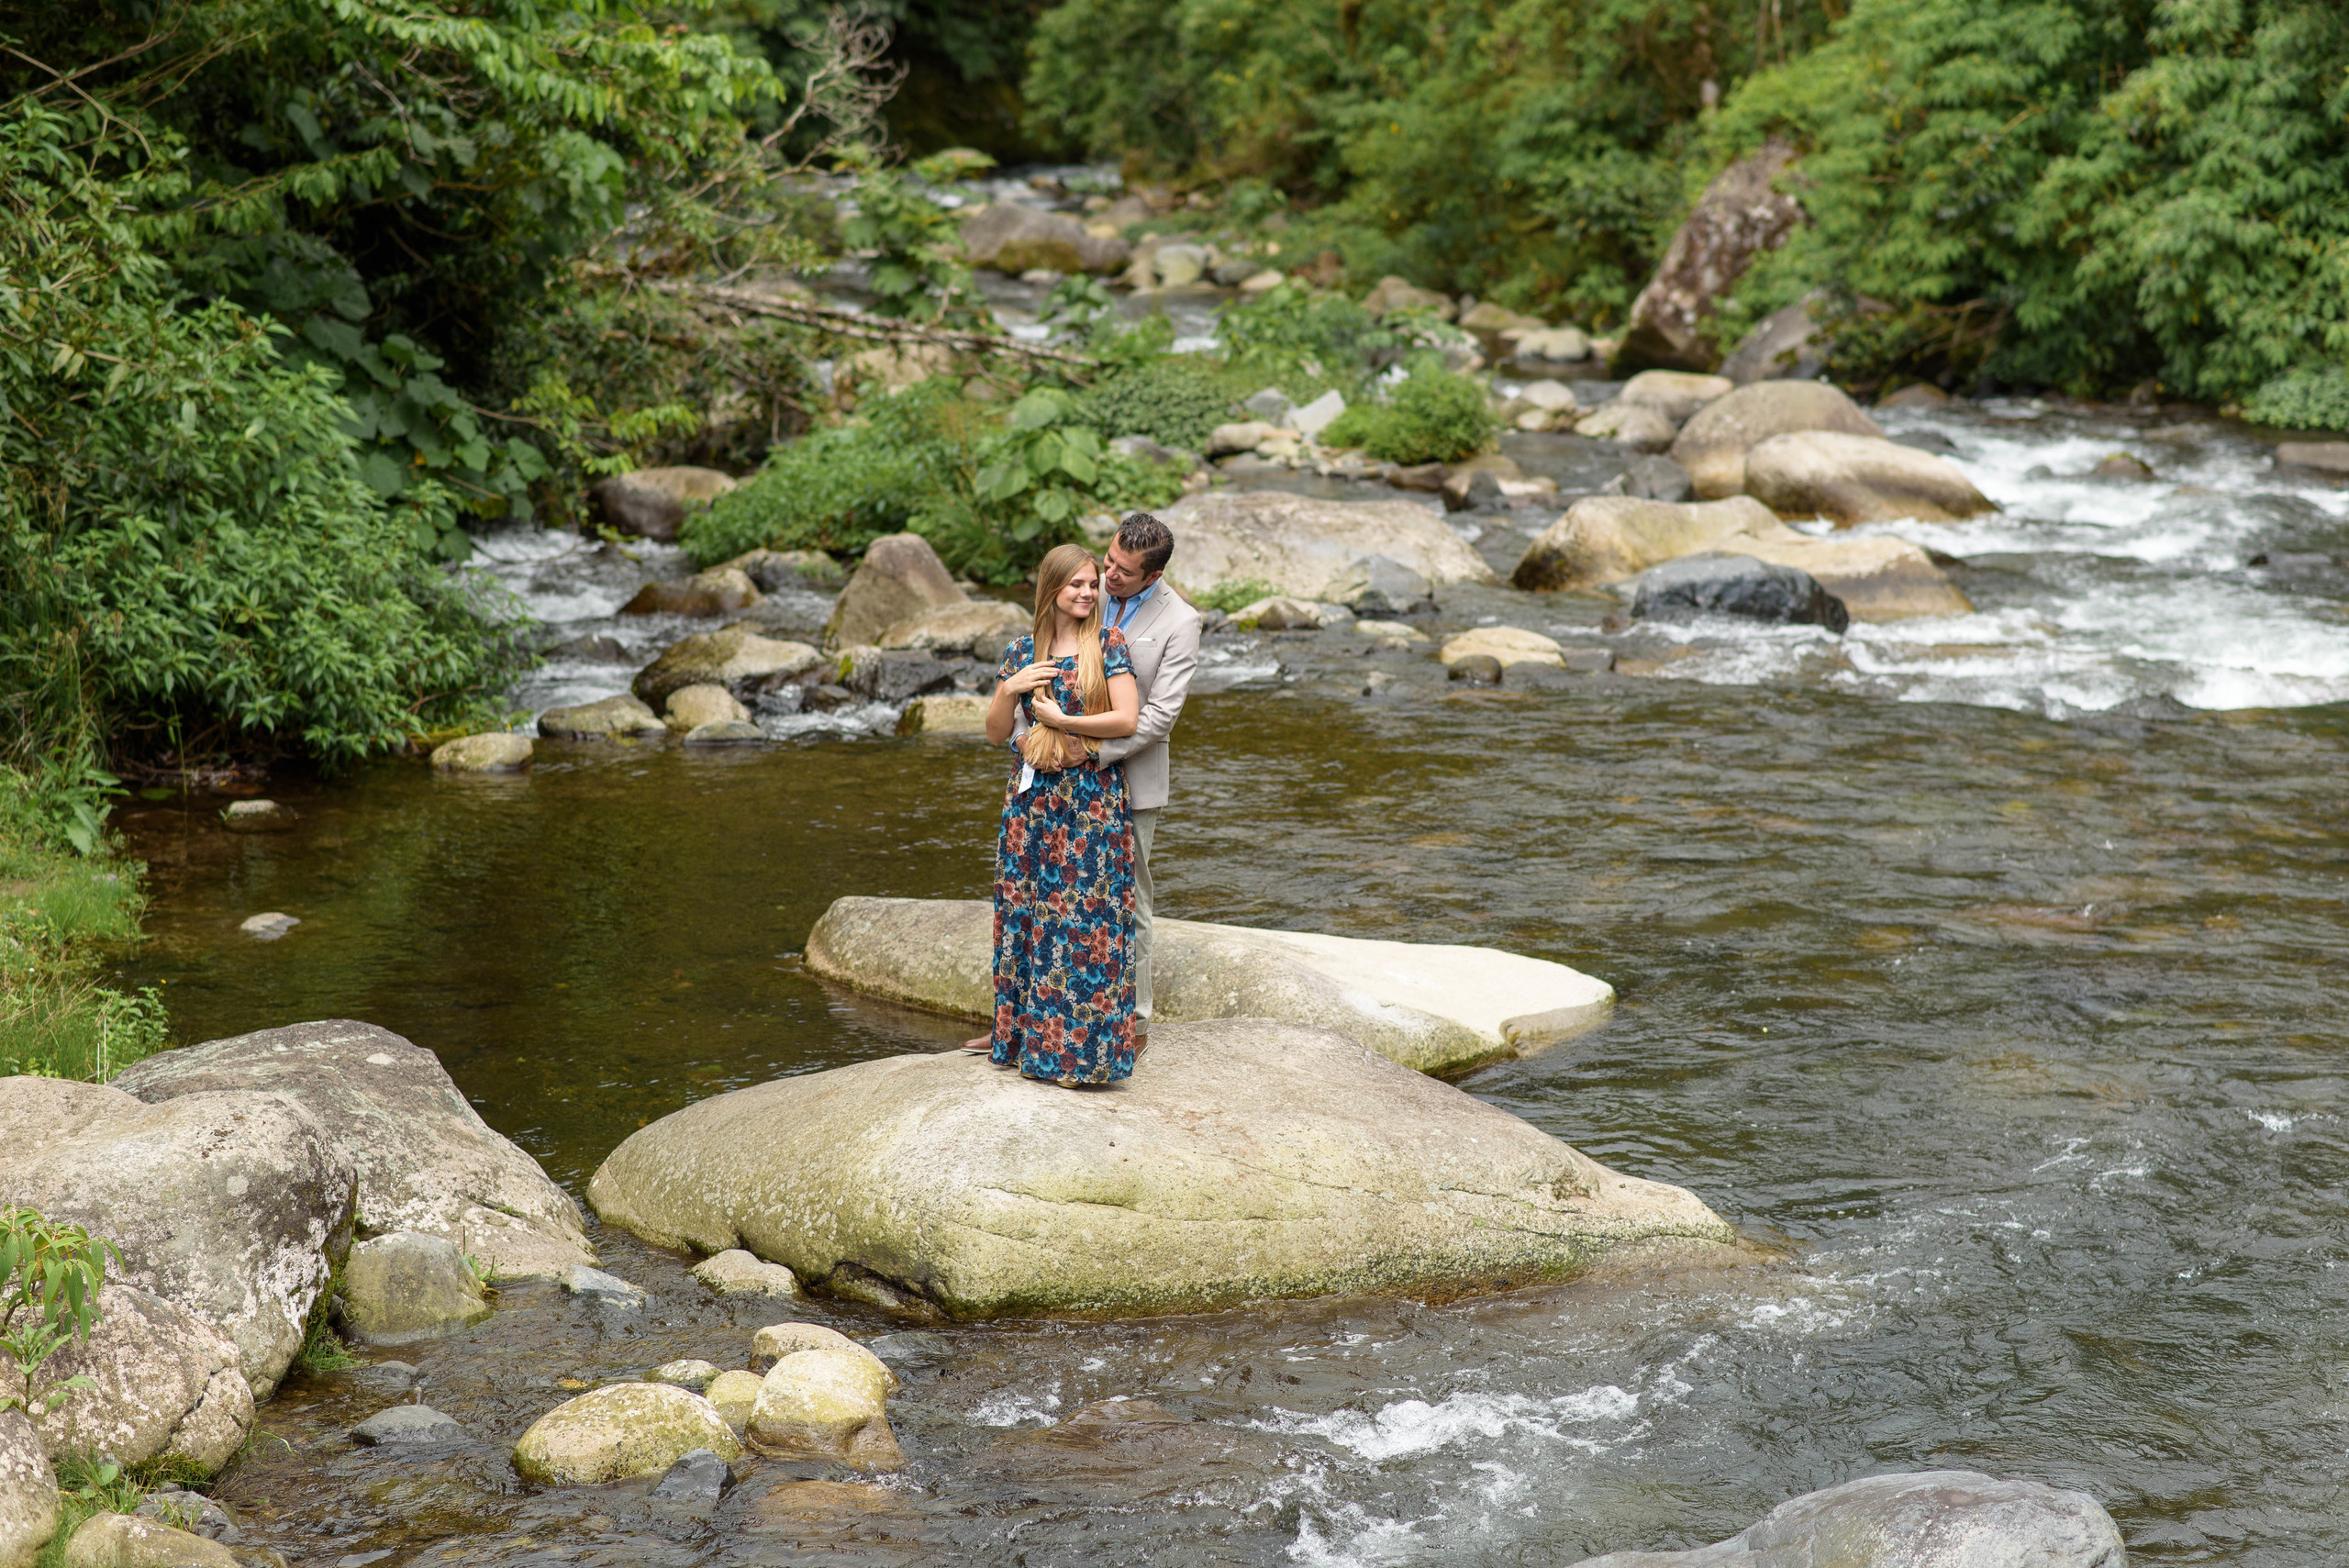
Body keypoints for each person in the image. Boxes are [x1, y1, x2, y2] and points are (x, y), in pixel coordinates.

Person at [969, 542, 1143, 1085]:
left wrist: (1062, 719)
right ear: (1052, 589)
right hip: (1032, 807)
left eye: (1093, 585)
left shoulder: (1108, 643)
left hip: (1089, 803)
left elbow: (1128, 720)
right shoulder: (1022, 650)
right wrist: (1012, 690)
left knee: (1084, 922)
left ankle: (1083, 1058)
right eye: (1078, 585)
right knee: (1027, 914)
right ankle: (1027, 1043)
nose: (1089, 593)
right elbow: (997, 734)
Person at [1090, 513, 1202, 1055]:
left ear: (1152, 576)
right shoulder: (1088, 588)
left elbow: (1160, 716)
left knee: (1128, 901)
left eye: (1123, 572)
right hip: (1063, 774)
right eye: (1108, 559)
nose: (1108, 575)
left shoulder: (1181, 621)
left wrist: (1090, 751)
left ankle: (1134, 1023)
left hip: (1132, 778)